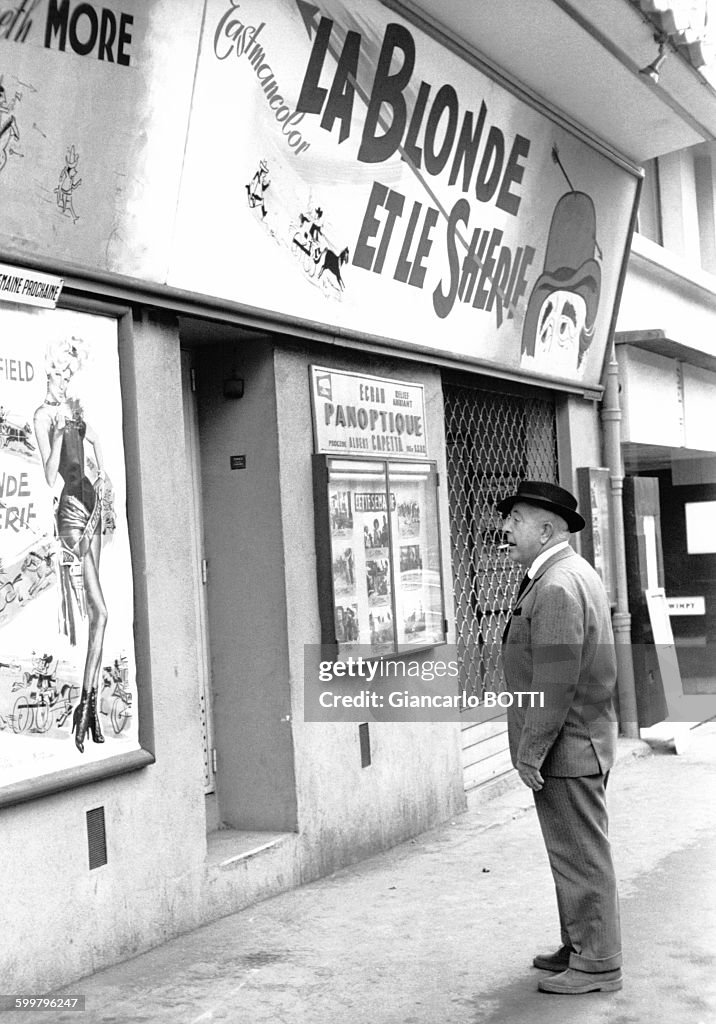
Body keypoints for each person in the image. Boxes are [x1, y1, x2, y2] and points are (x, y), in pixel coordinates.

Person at [498, 480, 621, 995]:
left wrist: (530, 754)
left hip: (568, 747)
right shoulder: (563, 573)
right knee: (571, 853)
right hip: (577, 740)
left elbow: (555, 682)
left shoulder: (555, 585)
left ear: (546, 528)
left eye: (516, 520)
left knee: (580, 856)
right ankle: (579, 943)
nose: (505, 529)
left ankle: (598, 964)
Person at [34, 337, 109, 753]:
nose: (64, 380)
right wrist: (63, 432)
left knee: (100, 617)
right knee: (101, 610)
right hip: (71, 515)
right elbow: (49, 474)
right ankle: (86, 706)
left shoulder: (75, 412)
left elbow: (97, 441)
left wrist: (105, 474)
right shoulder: (43, 415)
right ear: (49, 373)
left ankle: (90, 708)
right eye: (60, 373)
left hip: (92, 504)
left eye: (69, 374)